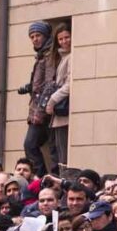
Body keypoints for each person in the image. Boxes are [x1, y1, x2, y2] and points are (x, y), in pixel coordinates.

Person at [17, 21, 57, 176]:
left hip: (43, 112)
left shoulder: (49, 56)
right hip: (39, 110)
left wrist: (40, 111)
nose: (35, 39)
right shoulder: (41, 56)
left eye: (38, 35)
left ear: (46, 36)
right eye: (32, 36)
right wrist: (29, 87)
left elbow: (50, 84)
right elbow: (40, 83)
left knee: (31, 145)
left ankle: (40, 178)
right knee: (47, 147)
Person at [45, 23, 72, 166]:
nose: (64, 41)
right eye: (60, 39)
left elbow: (70, 84)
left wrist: (52, 100)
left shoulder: (71, 57)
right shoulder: (63, 57)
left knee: (63, 156)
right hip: (60, 113)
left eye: (67, 37)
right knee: (58, 153)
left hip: (64, 111)